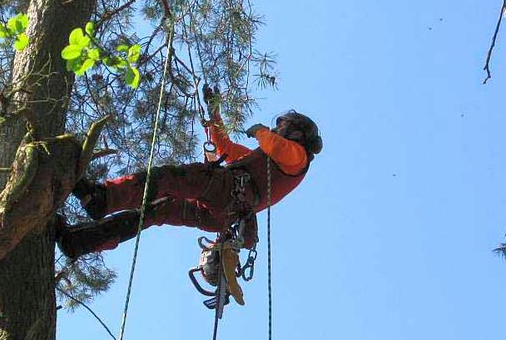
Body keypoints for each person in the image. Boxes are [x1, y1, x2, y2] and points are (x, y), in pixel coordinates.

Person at [56, 86, 322, 259]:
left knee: (169, 179)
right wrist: (214, 113)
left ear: (297, 133)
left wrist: (261, 131)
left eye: (282, 126)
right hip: (222, 212)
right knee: (155, 210)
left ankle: (103, 197)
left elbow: (277, 147)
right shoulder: (261, 157)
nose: (276, 130)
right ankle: (80, 241)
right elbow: (225, 146)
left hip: (227, 191)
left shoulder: (298, 158)